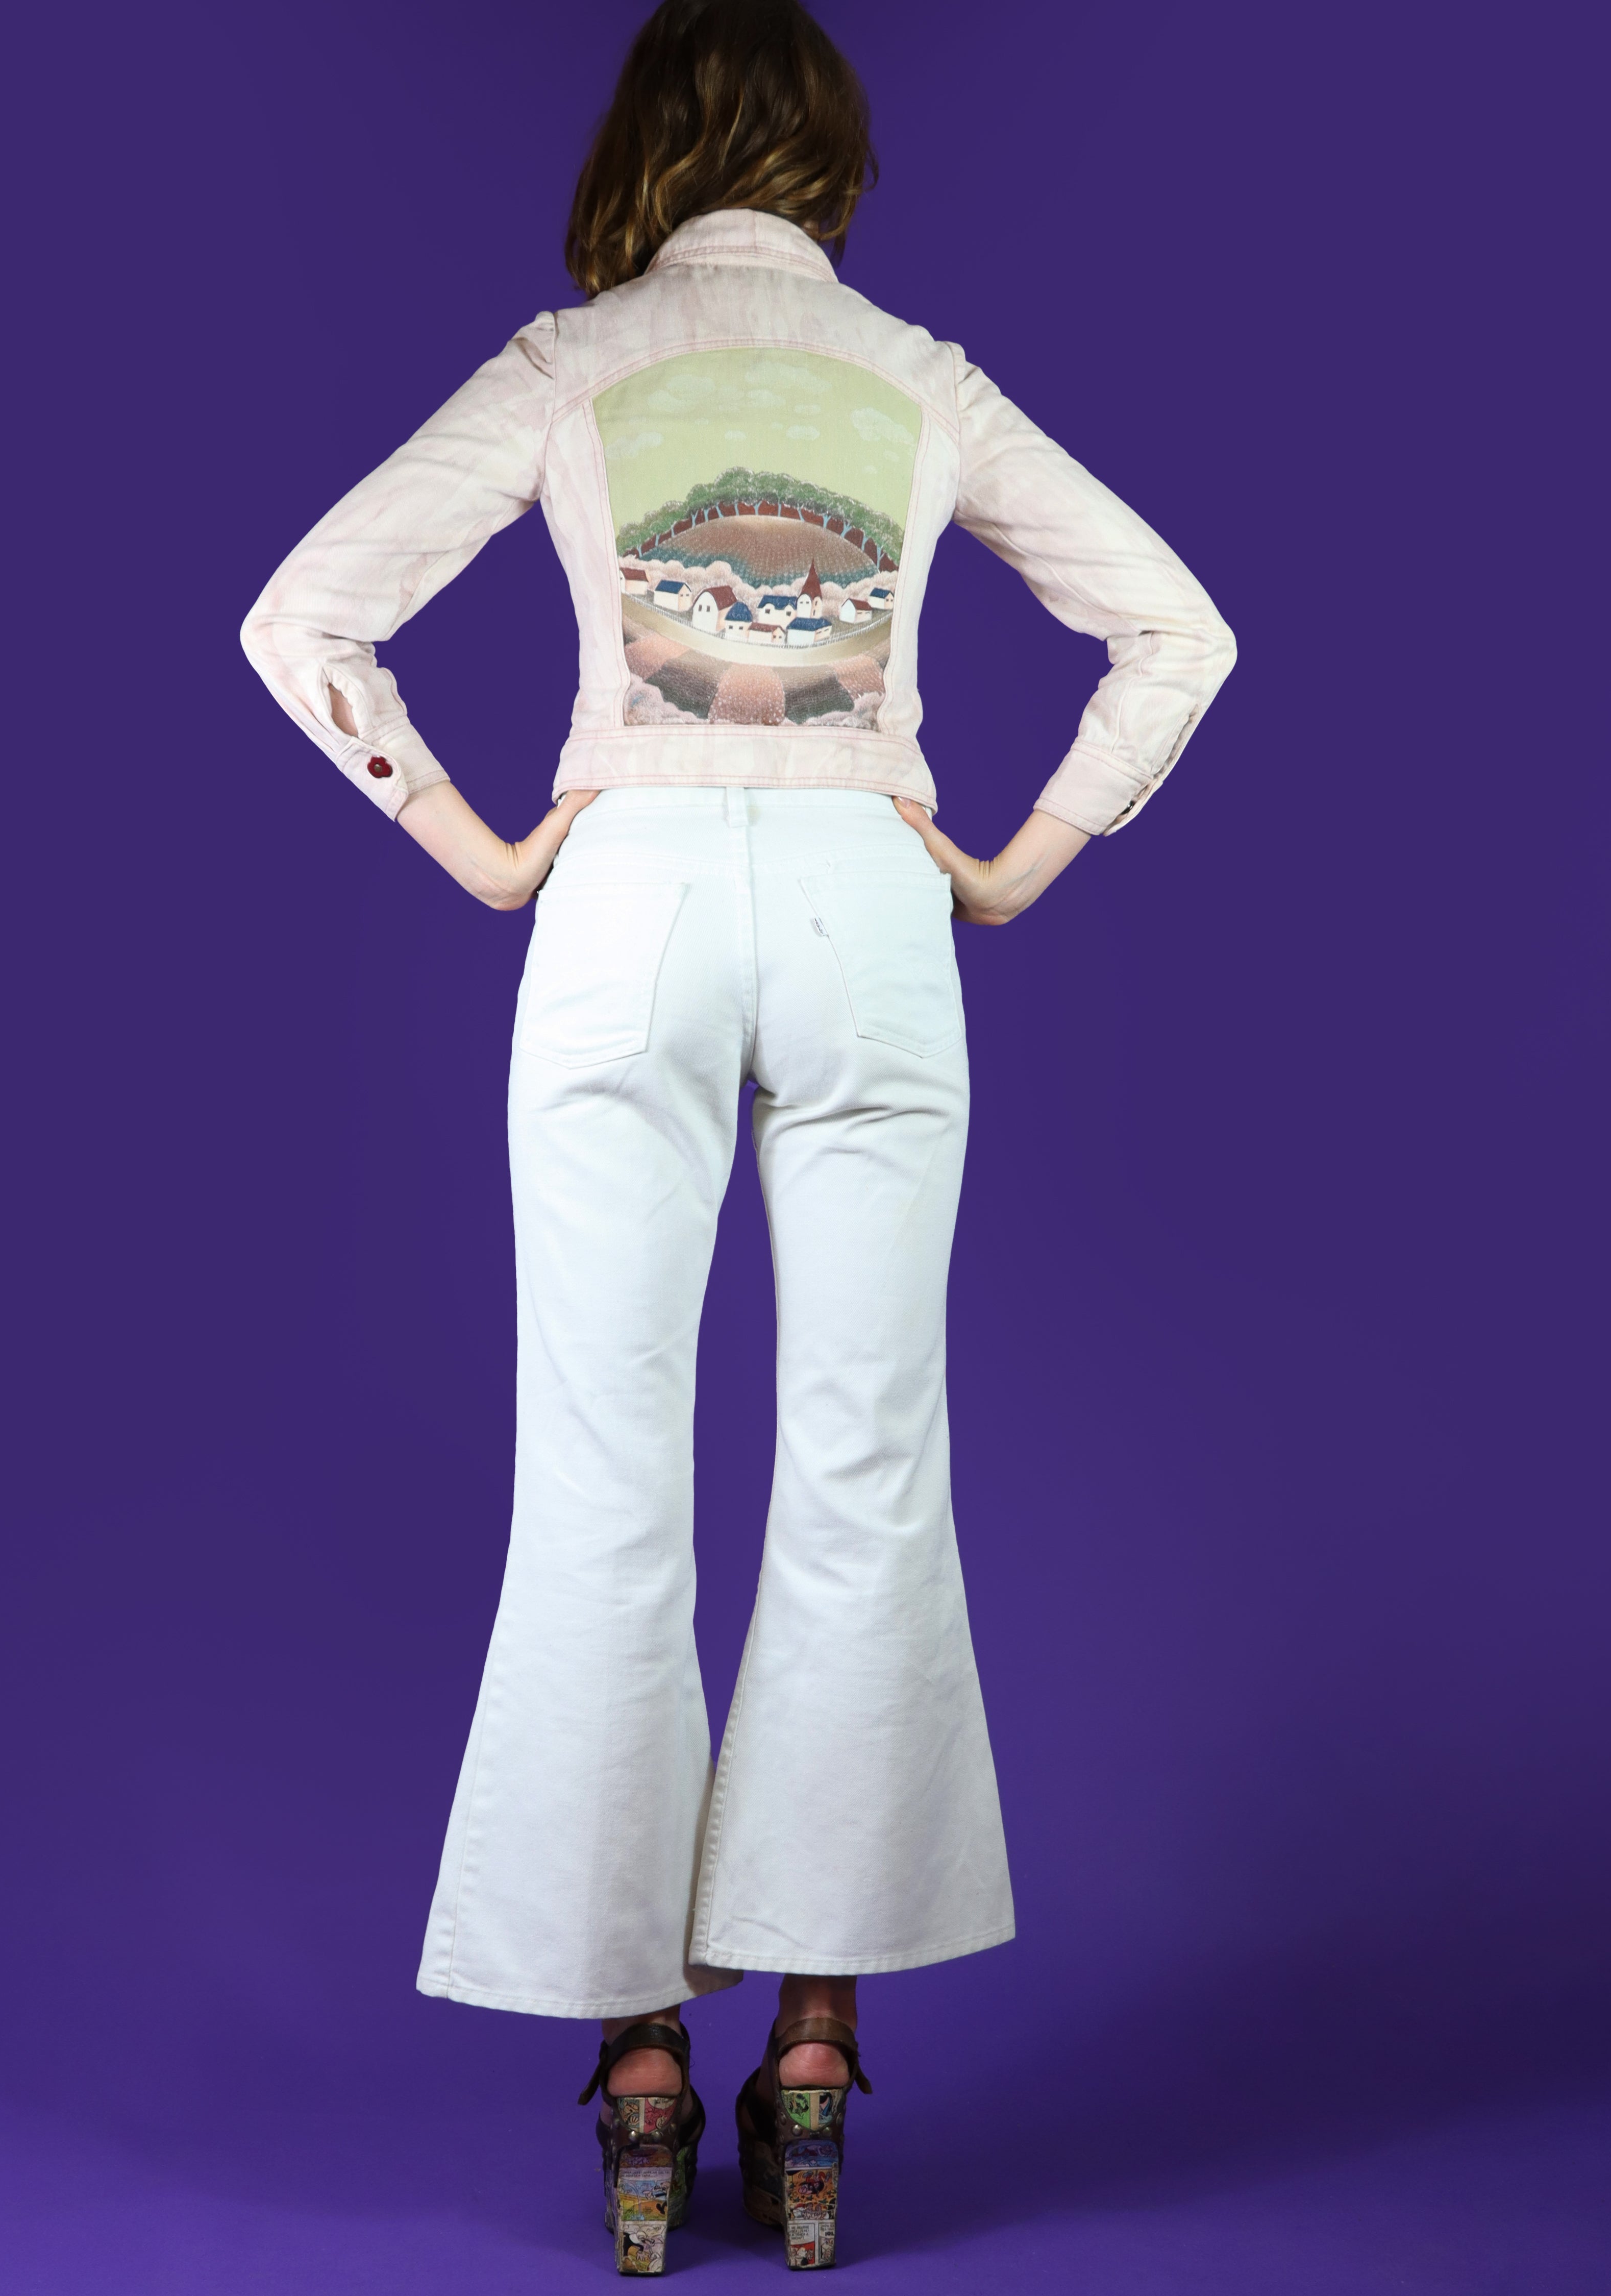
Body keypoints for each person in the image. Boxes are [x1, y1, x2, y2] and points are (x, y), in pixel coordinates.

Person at [238, 0, 1234, 2273]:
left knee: (603, 1484)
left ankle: (635, 2072)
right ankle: (810, 2053)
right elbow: (1173, 630)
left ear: (648, 153)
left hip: (628, 905)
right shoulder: (920, 381)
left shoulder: (568, 367)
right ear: (832, 166)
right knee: (867, 1470)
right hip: (874, 905)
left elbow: (307, 614)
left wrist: (478, 843)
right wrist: (1012, 866)